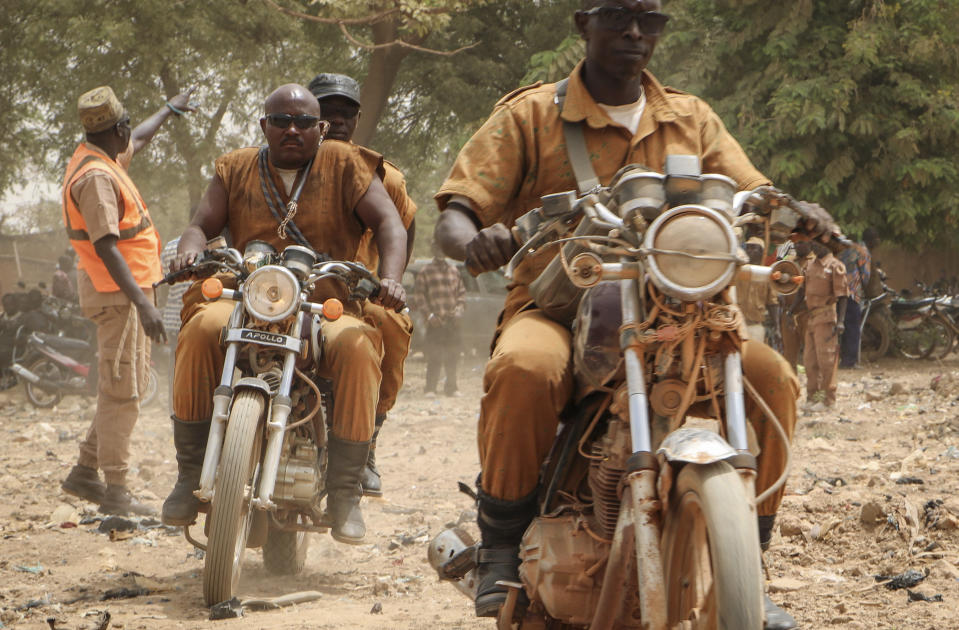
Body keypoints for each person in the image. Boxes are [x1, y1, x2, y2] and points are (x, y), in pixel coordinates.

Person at [432, 2, 824, 627]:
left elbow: (755, 191)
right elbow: (458, 210)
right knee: (525, 369)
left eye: (652, 21)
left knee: (772, 379)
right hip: (559, 303)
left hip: (684, 307)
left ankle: (747, 561)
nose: (636, 34)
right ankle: (500, 546)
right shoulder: (531, 115)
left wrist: (798, 213)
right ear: (583, 25)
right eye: (618, 17)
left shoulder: (691, 117)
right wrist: (475, 238)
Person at [162, 84, 407, 546]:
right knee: (198, 330)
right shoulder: (233, 168)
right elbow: (200, 225)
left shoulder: (346, 164)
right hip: (244, 301)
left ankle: (343, 493)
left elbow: (390, 223)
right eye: (280, 121)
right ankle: (188, 475)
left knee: (359, 348)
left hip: (325, 304)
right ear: (264, 127)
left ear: (321, 129)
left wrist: (390, 277)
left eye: (301, 123)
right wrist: (189, 254)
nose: (291, 130)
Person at [59, 85, 194, 516]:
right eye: (127, 128)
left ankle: (85, 470)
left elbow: (140, 139)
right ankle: (115, 490)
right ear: (116, 128)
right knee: (123, 394)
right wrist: (144, 303)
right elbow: (107, 247)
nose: (131, 137)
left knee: (122, 387)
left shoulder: (102, 157)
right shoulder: (96, 178)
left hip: (123, 293)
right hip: (119, 295)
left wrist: (169, 110)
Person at [308, 72, 417, 498]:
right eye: (325, 112)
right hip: (293, 288)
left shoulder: (384, 176)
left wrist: (391, 281)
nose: (335, 121)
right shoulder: (289, 162)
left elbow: (404, 231)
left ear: (357, 119)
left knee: (391, 326)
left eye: (345, 113)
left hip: (356, 294)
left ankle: (367, 439)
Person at [413, 240, 466, 397]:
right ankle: (430, 389)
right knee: (434, 356)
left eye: (443, 248)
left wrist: (459, 311)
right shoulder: (426, 271)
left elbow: (461, 294)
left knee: (453, 355)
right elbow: (419, 296)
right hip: (435, 321)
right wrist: (428, 315)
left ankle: (452, 388)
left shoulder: (454, 270)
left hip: (452, 321)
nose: (440, 251)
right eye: (437, 247)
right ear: (433, 249)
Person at [799, 240, 848, 410]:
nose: (816, 245)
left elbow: (842, 296)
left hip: (826, 317)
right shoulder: (809, 266)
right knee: (809, 360)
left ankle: (828, 400)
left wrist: (840, 322)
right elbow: (802, 291)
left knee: (826, 360)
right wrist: (791, 311)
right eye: (814, 242)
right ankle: (813, 397)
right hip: (811, 318)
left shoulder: (835, 266)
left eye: (820, 242)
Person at [838, 228, 874, 368]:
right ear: (872, 240)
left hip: (839, 291)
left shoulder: (845, 248)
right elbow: (864, 277)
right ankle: (850, 361)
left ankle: (842, 359)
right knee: (853, 327)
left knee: (842, 326)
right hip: (852, 293)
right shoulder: (863, 251)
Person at [736, 236, 780, 346]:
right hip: (736, 325)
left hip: (755, 326)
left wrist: (777, 328)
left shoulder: (768, 275)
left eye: (754, 248)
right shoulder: (737, 272)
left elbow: (772, 303)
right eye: (748, 248)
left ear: (762, 252)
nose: (750, 251)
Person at [779, 240, 814, 372]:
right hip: (788, 313)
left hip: (806, 314)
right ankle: (792, 387)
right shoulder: (789, 260)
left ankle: (814, 389)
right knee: (789, 354)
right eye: (796, 243)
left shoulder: (814, 263)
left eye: (801, 242)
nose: (798, 246)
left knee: (811, 353)